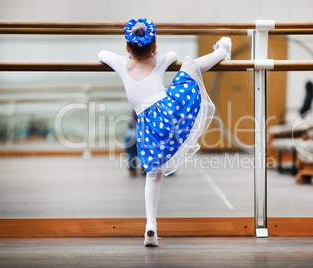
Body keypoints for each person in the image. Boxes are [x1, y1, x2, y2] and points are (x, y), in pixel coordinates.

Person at [98, 18, 231, 247]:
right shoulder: (160, 60)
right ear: (154, 47)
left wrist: (125, 56)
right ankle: (222, 52)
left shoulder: (121, 63)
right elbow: (173, 55)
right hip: (170, 115)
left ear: (127, 47)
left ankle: (151, 225)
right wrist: (156, 56)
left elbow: (102, 54)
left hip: (148, 126)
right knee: (190, 65)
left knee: (153, 175)